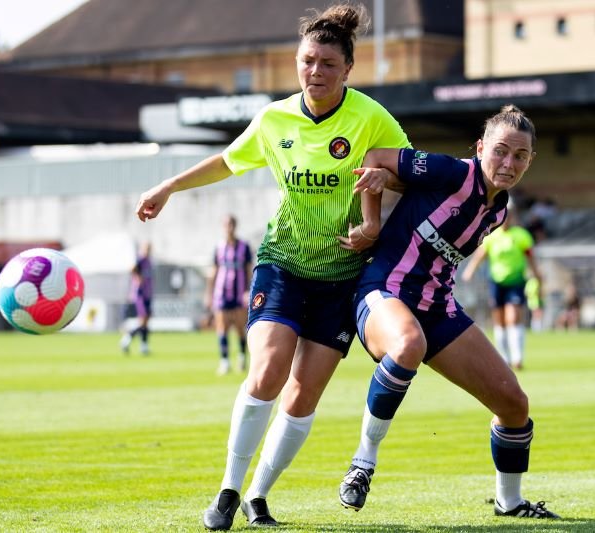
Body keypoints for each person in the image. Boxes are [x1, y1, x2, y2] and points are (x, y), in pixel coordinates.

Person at [134, 4, 410, 529]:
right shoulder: (274, 118)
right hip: (282, 260)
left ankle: (259, 494)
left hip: (341, 275)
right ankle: (227, 492)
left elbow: (407, 173)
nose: (316, 71)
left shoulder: (372, 118)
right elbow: (227, 160)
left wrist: (380, 205)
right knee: (267, 371)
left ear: (348, 70)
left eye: (329, 63)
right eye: (308, 60)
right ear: (296, 62)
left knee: (303, 394)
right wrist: (168, 185)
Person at [337, 105, 560, 520]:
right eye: (500, 151)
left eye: (520, 155)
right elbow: (376, 158)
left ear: (531, 160)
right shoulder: (453, 172)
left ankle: (509, 504)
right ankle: (362, 464)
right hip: (383, 291)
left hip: (437, 307)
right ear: (480, 148)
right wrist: (371, 224)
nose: (508, 163)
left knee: (514, 404)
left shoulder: (499, 211)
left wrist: (396, 184)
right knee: (408, 344)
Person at [461, 205, 543, 370]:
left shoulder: (521, 236)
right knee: (500, 321)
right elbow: (481, 255)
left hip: (516, 281)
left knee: (513, 317)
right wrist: (470, 271)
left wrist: (537, 274)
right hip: (496, 282)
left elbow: (530, 257)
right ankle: (504, 359)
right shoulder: (492, 236)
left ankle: (517, 358)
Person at [205, 215, 254, 375]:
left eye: (231, 224)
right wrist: (209, 294)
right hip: (222, 293)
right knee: (222, 327)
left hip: (239, 293)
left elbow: (249, 270)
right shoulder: (219, 247)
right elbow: (213, 272)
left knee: (240, 328)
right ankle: (225, 361)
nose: (229, 228)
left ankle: (241, 358)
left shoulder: (244, 247)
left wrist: (249, 290)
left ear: (235, 226)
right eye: (226, 225)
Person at [120, 241, 154, 355]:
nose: (148, 250)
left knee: (146, 322)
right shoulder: (140, 259)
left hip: (148, 294)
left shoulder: (149, 261)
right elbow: (132, 269)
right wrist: (138, 278)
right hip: (141, 295)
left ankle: (143, 346)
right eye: (146, 248)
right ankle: (126, 339)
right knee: (143, 321)